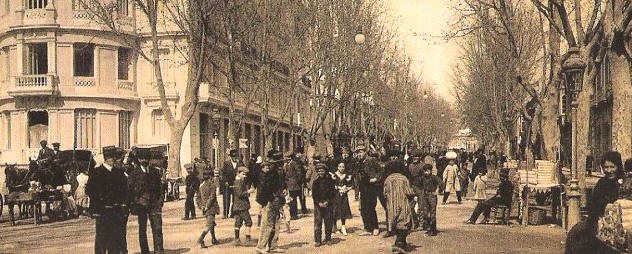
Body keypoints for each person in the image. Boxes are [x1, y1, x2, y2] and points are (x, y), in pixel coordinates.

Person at [565, 151, 623, 254]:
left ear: (618, 166)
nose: (609, 170)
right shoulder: (601, 183)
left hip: (621, 224)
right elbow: (593, 207)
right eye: (606, 167)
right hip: (600, 221)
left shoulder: (625, 184)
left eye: (612, 167)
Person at [86, 146, 129, 254]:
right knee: (101, 237)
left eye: (113, 157)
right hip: (103, 211)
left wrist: (123, 205)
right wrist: (97, 205)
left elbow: (125, 190)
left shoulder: (119, 173)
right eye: (110, 157)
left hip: (116, 210)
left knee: (114, 238)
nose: (112, 160)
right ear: (105, 158)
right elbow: (90, 191)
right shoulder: (96, 172)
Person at [128, 152, 165, 254]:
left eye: (146, 158)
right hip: (141, 205)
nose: (144, 161)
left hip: (154, 204)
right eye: (142, 158)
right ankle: (145, 251)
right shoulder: (134, 174)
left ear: (149, 160)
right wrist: (134, 203)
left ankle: (159, 250)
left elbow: (161, 188)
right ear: (139, 160)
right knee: (142, 229)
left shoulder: (155, 172)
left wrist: (160, 200)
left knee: (157, 227)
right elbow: (130, 190)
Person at [255, 150, 286, 253]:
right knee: (267, 224)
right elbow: (264, 187)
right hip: (270, 200)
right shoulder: (269, 173)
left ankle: (273, 245)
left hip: (276, 199)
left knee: (276, 223)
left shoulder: (277, 171)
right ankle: (261, 246)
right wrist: (271, 198)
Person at [383, 162, 415, 253]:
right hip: (403, 203)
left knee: (395, 223)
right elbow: (409, 192)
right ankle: (399, 243)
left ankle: (402, 243)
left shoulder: (387, 179)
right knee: (404, 223)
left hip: (391, 205)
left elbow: (384, 193)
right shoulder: (404, 178)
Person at [356, 145, 382, 236]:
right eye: (358, 152)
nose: (359, 154)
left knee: (371, 207)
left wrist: (376, 179)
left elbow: (380, 171)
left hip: (371, 187)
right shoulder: (359, 162)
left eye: (361, 152)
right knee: (363, 208)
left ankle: (375, 227)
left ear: (365, 152)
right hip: (363, 187)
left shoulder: (371, 160)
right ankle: (367, 228)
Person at [312, 162, 336, 247]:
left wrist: (327, 202)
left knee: (328, 222)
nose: (321, 173)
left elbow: (332, 193)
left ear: (325, 171)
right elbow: (314, 195)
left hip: (328, 205)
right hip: (318, 205)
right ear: (317, 172)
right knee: (318, 222)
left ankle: (328, 238)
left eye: (322, 171)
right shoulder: (315, 182)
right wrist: (318, 203)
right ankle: (318, 240)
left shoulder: (330, 182)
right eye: (319, 171)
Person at [197, 168, 220, 248]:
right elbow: (212, 197)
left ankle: (213, 238)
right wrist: (207, 206)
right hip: (211, 208)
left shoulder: (201, 186)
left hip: (205, 209)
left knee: (212, 223)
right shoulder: (212, 185)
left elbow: (198, 198)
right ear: (210, 176)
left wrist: (201, 206)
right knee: (209, 225)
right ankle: (201, 239)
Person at [233, 166, 254, 246]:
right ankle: (248, 239)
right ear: (238, 174)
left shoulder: (238, 181)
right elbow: (240, 194)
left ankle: (237, 239)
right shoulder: (239, 182)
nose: (245, 176)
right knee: (248, 222)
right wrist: (249, 191)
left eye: (245, 174)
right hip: (242, 206)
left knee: (238, 222)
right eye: (243, 174)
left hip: (237, 206)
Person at [419, 164, 441, 236]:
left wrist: (437, 191)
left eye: (427, 171)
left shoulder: (434, 177)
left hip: (432, 195)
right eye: (425, 171)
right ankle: (428, 228)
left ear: (430, 171)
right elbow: (416, 184)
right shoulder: (422, 178)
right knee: (425, 212)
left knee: (432, 212)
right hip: (425, 195)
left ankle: (433, 230)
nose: (426, 172)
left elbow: (442, 184)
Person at [332, 162, 353, 235]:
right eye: (340, 166)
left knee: (343, 209)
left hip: (344, 195)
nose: (342, 168)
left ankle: (343, 226)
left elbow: (351, 185)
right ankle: (334, 226)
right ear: (337, 167)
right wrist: (337, 187)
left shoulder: (346, 176)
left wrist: (346, 188)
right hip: (336, 195)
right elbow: (332, 184)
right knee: (335, 210)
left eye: (343, 167)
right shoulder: (334, 175)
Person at [220, 149, 243, 219]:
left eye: (236, 156)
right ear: (231, 157)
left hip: (236, 183)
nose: (235, 158)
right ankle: (225, 213)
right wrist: (225, 181)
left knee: (235, 199)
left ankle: (233, 213)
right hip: (227, 184)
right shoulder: (226, 163)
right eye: (233, 157)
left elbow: (244, 171)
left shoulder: (240, 163)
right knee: (226, 199)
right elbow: (222, 174)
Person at [285, 150, 305, 220]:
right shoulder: (287, 164)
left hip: (294, 185)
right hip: (289, 184)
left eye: (287, 158)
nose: (286, 159)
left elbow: (299, 174)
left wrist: (296, 182)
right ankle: (292, 213)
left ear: (290, 158)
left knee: (293, 200)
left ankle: (294, 214)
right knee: (290, 200)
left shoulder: (294, 164)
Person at [407, 149, 424, 230]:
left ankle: (421, 224)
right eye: (413, 156)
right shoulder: (410, 166)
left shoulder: (422, 165)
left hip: (421, 187)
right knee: (410, 206)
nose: (415, 158)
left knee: (421, 206)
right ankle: (415, 222)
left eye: (417, 156)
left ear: (420, 157)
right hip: (412, 187)